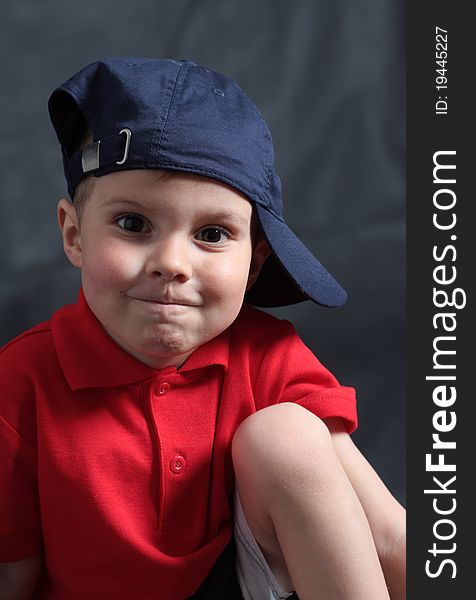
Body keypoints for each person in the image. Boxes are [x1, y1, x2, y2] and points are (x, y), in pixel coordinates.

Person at [0, 57, 405, 600]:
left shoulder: (268, 356)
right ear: (75, 235)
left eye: (212, 234)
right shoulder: (19, 383)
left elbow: (385, 536)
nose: (173, 263)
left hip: (245, 585)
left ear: (254, 264)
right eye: (133, 224)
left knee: (285, 436)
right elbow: (12, 575)